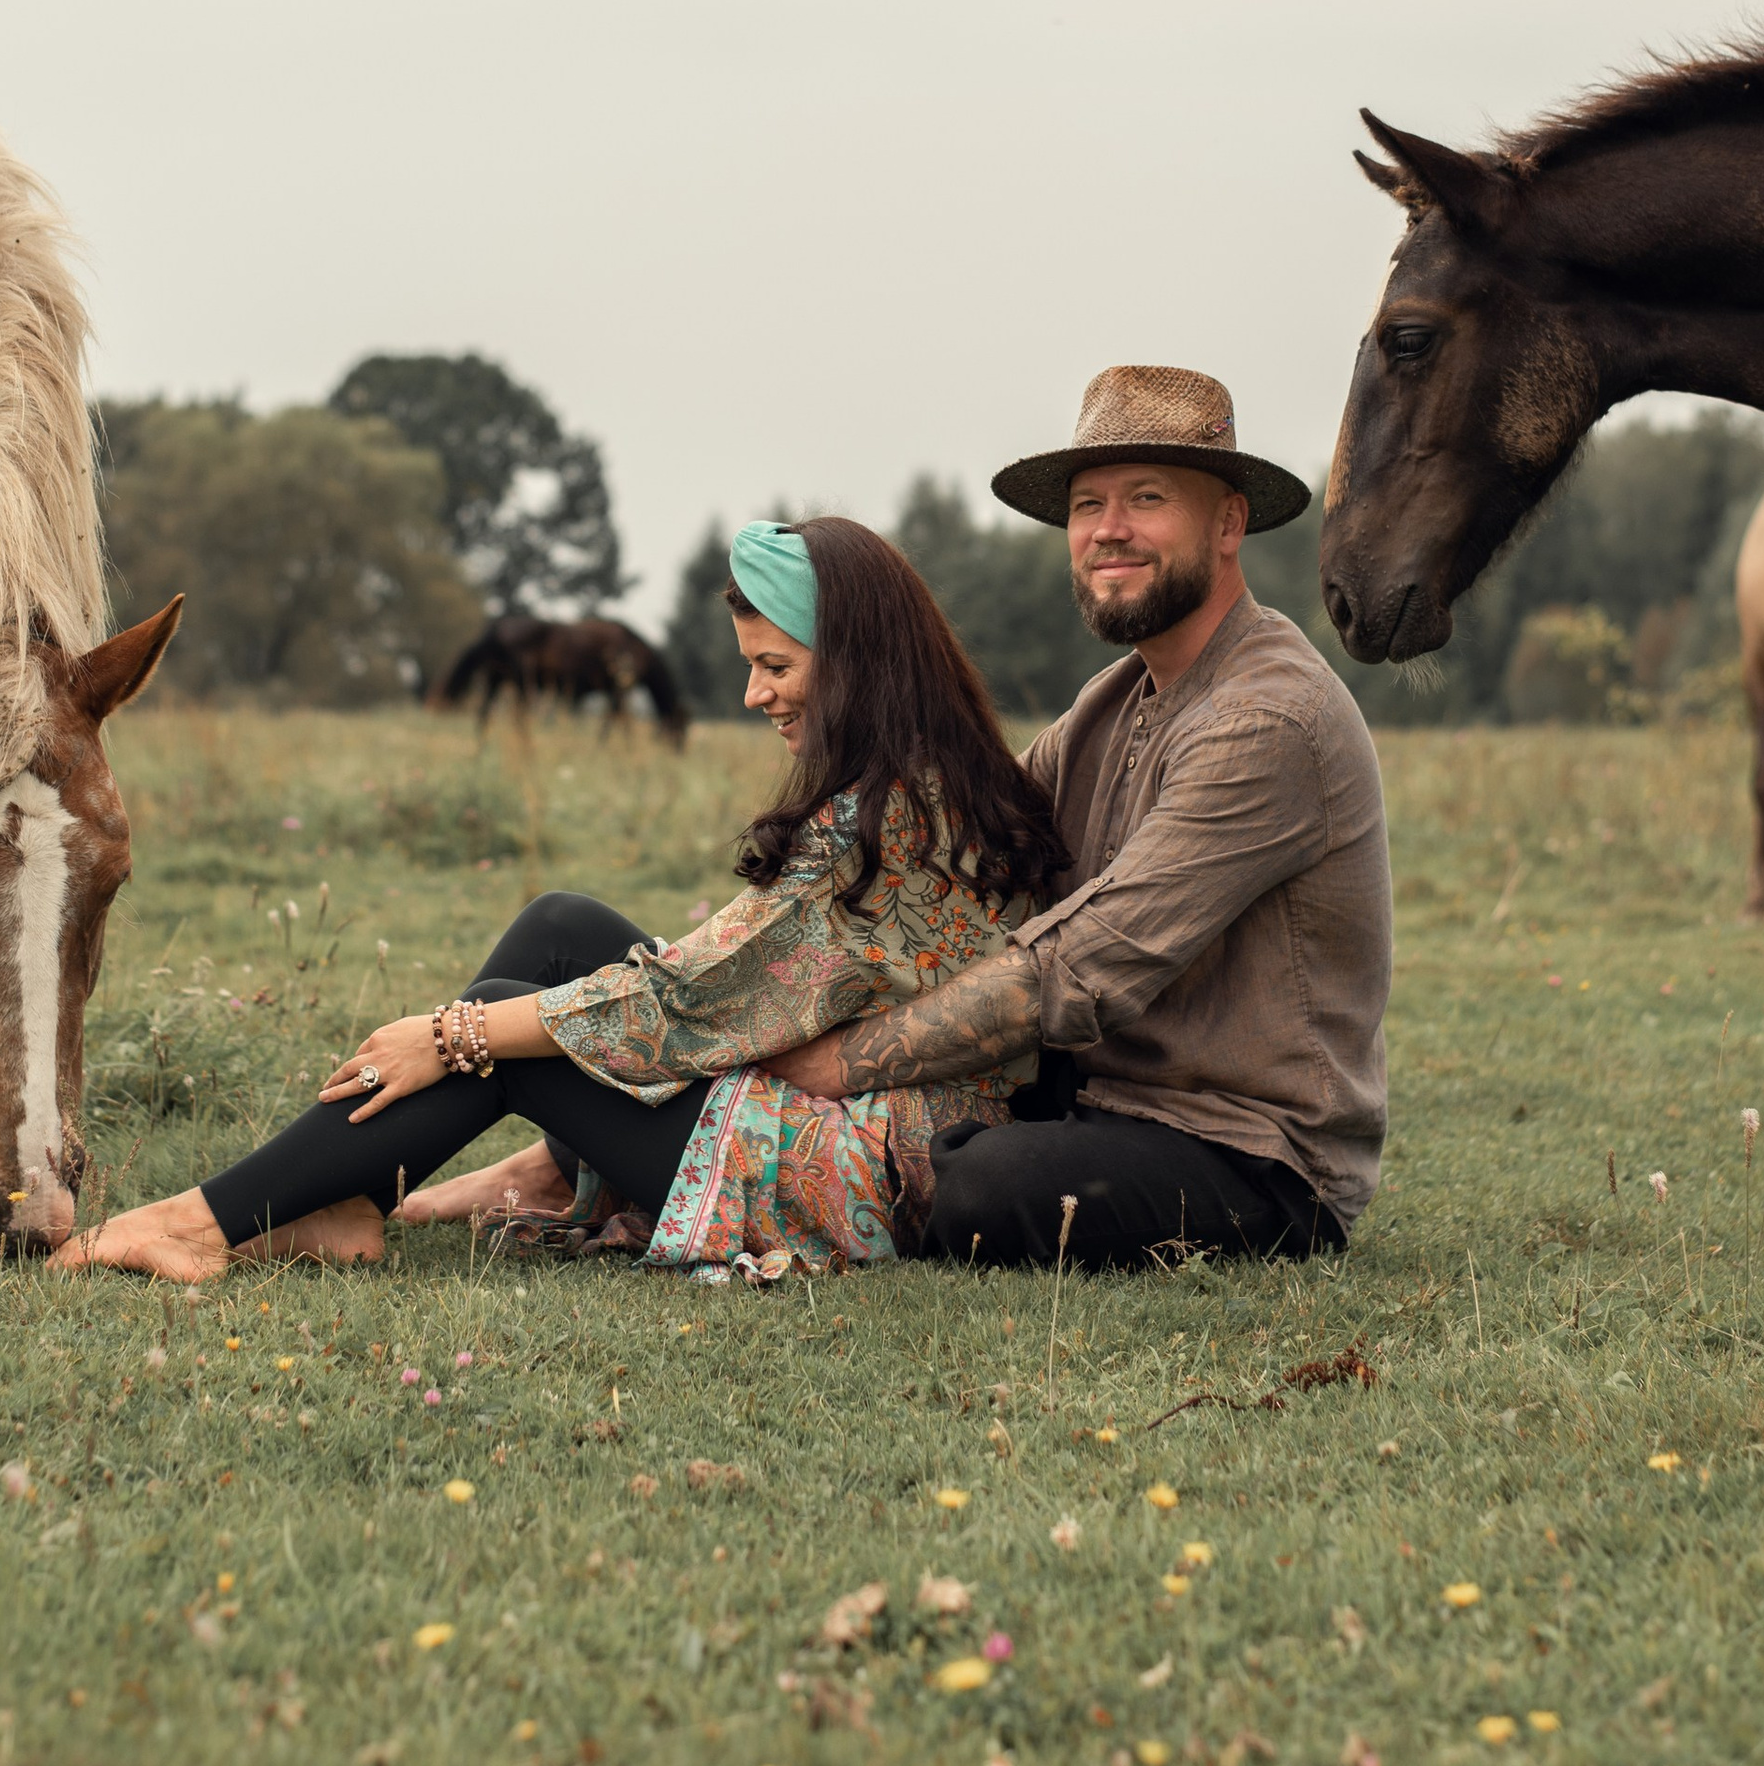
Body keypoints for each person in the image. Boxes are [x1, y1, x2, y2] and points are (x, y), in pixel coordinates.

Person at [52, 516, 1066, 1284]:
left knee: (504, 1025)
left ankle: (200, 1224)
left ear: (855, 665)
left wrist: (454, 1034)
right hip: (843, 1116)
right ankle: (348, 1198)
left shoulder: (882, 826)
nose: (755, 694)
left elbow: (689, 1006)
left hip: (854, 1178)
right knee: (561, 928)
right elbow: (718, 981)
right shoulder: (924, 782)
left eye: (774, 666)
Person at [763, 366, 1391, 1269]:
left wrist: (842, 1063)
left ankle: (617, 1158)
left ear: (1227, 523)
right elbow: (967, 844)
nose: (1109, 531)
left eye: (1146, 498)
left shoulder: (1269, 719)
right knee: (569, 938)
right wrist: (764, 953)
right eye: (1088, 504)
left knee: (985, 1186)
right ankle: (553, 1152)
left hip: (1251, 1156)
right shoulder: (1119, 695)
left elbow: (1082, 966)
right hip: (1091, 1102)